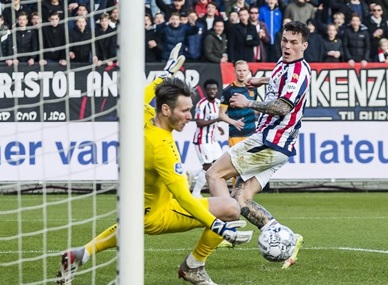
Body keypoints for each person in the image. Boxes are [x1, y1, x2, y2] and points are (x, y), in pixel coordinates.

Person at [56, 44, 253, 285]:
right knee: (230, 207)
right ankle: (193, 266)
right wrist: (218, 227)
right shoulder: (163, 149)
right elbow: (185, 198)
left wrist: (166, 72)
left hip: (135, 207)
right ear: (167, 110)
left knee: (130, 226)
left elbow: (145, 93)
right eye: (185, 111)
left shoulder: (145, 115)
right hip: (159, 214)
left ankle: (81, 254)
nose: (190, 117)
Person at [206, 20, 311, 269]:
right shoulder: (285, 63)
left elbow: (282, 107)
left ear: (304, 45)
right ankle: (285, 236)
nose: (287, 46)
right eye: (285, 40)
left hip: (269, 141)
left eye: (294, 43)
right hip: (279, 147)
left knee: (213, 175)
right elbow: (278, 80)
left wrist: (248, 102)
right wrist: (260, 81)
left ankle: (226, 231)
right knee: (240, 198)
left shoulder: (297, 72)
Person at [190, 79, 225, 198]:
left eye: (214, 89)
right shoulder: (202, 104)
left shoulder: (218, 103)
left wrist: (218, 127)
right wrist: (216, 121)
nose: (212, 91)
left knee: (218, 165)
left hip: (212, 140)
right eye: (210, 89)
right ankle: (195, 193)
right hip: (202, 140)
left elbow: (216, 118)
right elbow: (199, 122)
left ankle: (192, 173)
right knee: (208, 166)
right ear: (206, 90)